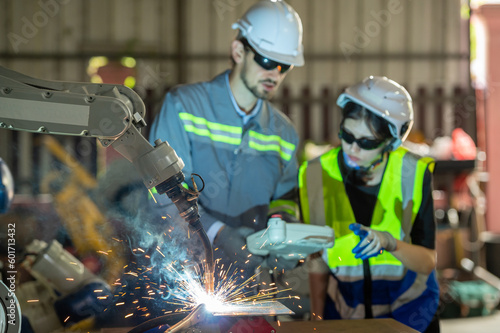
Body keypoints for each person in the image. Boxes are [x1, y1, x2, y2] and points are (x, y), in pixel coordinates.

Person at [149, 0, 304, 277]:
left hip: (252, 280)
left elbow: (285, 198)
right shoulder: (184, 107)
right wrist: (217, 233)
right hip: (187, 275)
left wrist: (283, 227)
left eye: (285, 66)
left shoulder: (284, 133)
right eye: (267, 61)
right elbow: (162, 191)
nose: (275, 74)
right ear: (238, 51)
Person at [299, 76, 440, 332]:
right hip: (344, 314)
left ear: (391, 142)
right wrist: (316, 320)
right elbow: (317, 257)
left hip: (410, 313)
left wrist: (390, 243)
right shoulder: (315, 173)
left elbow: (428, 261)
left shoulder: (414, 173)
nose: (352, 148)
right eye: (347, 134)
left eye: (367, 142)